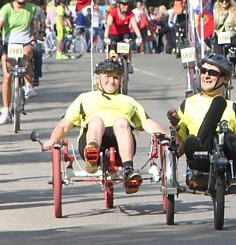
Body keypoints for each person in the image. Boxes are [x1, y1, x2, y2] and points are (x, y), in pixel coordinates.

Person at [41, 59, 166, 193]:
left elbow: (146, 122)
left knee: (121, 121)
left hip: (121, 143)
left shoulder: (128, 101)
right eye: (107, 76)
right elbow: (64, 125)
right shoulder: (85, 98)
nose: (111, 81)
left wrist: (165, 136)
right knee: (96, 120)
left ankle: (128, 171)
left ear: (121, 80)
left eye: (116, 77)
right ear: (97, 78)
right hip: (91, 137)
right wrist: (53, 140)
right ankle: (92, 153)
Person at [166, 53, 236, 191]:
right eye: (203, 71)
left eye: (212, 72)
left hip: (228, 158)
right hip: (199, 158)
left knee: (225, 131)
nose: (206, 75)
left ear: (225, 78)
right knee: (196, 138)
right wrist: (176, 127)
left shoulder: (233, 108)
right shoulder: (188, 104)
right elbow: (179, 150)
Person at [0, 0, 38, 124]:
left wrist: (33, 37)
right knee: (7, 76)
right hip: (10, 43)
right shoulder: (7, 9)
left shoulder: (31, 9)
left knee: (27, 55)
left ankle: (28, 86)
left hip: (25, 42)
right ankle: (5, 110)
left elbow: (31, 24)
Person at [103, 0, 143, 72]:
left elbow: (134, 26)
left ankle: (129, 62)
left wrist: (139, 37)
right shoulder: (113, 12)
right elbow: (108, 25)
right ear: (118, 4)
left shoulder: (130, 13)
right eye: (124, 4)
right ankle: (110, 63)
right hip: (114, 34)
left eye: (127, 4)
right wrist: (106, 37)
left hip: (124, 33)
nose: (126, 6)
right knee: (112, 53)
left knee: (128, 43)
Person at [212, 0, 236, 78]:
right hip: (219, 36)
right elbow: (211, 25)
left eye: (227, 0)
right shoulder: (215, 12)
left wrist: (235, 28)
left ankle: (232, 69)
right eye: (222, 1)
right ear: (219, 2)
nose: (224, 3)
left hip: (230, 36)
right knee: (218, 57)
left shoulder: (233, 11)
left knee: (232, 52)